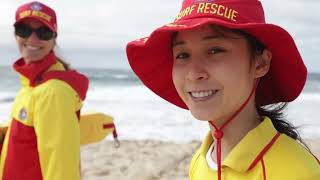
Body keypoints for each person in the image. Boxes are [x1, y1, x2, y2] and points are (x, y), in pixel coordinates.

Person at [126, 0, 320, 179]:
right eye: (183, 55)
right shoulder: (201, 160)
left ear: (260, 63)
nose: (193, 73)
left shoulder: (296, 172)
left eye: (214, 50)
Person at [0, 1, 88, 179]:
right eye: (24, 30)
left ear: (54, 39)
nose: (32, 40)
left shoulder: (53, 93)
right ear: (15, 35)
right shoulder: (32, 84)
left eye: (43, 33)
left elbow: (62, 168)